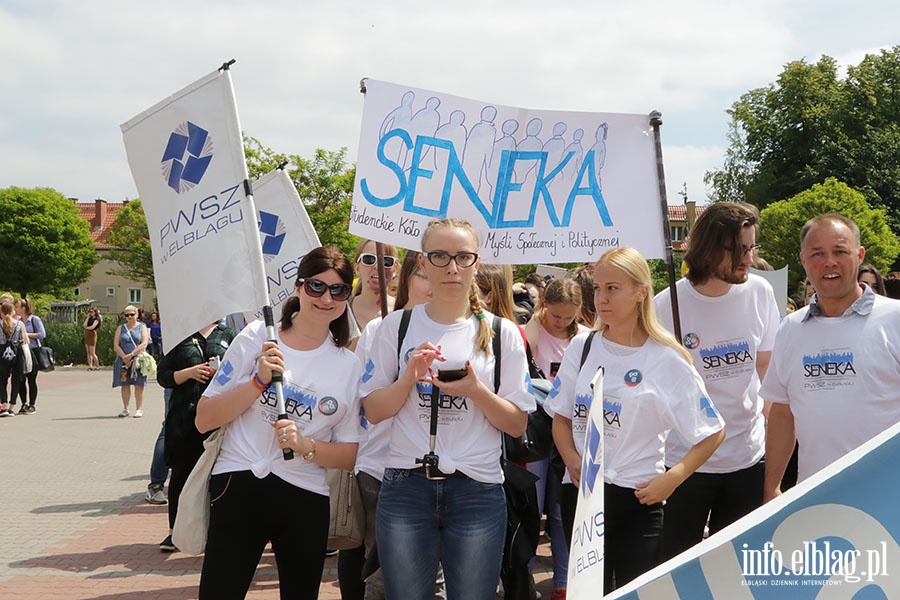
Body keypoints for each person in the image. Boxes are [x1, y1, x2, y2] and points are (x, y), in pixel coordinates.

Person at [360, 218, 534, 600]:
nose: (451, 267)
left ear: (476, 262)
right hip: (406, 485)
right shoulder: (396, 326)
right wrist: (407, 378)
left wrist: (476, 390)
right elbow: (373, 411)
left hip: (478, 488)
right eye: (440, 256)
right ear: (422, 263)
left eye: (462, 257)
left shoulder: (503, 333)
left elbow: (516, 423)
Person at [547, 247, 725, 591]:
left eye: (612, 288)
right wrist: (572, 460)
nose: (601, 298)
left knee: (637, 593)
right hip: (583, 498)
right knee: (587, 594)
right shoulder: (582, 347)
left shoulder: (666, 358)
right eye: (597, 289)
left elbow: (712, 432)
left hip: (639, 499)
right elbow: (561, 418)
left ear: (641, 291)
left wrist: (672, 478)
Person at [194, 246, 362, 600]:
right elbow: (204, 419)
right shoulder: (258, 336)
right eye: (316, 286)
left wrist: (306, 446)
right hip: (238, 483)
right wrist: (257, 382)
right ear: (299, 287)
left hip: (304, 494)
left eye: (339, 290)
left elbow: (350, 454)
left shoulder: (349, 366)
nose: (326, 298)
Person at [653, 202, 780, 559]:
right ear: (707, 247)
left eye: (751, 247)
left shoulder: (760, 292)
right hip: (686, 463)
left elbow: (766, 372)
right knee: (677, 568)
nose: (748, 259)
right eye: (737, 249)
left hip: (748, 460)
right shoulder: (666, 306)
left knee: (739, 570)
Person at [762, 214, 900, 499]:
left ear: (859, 255)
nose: (829, 262)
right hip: (818, 501)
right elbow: (782, 413)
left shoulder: (894, 319)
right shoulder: (790, 329)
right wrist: (772, 487)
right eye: (818, 254)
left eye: (840, 252)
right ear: (803, 260)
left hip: (888, 498)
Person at [338, 250, 438, 600]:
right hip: (381, 468)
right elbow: (363, 400)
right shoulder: (383, 329)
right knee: (382, 573)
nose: (434, 284)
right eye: (425, 275)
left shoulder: (459, 329)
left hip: (438, 473)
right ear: (407, 277)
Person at [523, 276, 589, 600]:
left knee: (562, 514)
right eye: (556, 315)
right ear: (544, 306)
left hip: (569, 432)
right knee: (530, 510)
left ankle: (564, 580)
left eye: (569, 316)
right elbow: (525, 346)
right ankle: (524, 577)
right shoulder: (532, 330)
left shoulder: (583, 338)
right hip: (536, 429)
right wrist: (537, 318)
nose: (562, 322)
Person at [156, 320, 236, 552]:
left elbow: (241, 370)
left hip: (218, 416)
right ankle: (175, 532)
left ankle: (217, 532)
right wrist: (189, 373)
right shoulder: (180, 335)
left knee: (220, 477)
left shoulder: (228, 334)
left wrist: (221, 372)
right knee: (181, 474)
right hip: (184, 417)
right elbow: (164, 376)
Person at [348, 239, 400, 336]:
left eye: (387, 261)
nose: (377, 266)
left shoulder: (403, 312)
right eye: (369, 259)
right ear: (357, 268)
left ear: (395, 269)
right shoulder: (340, 310)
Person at [113, 305, 150, 418]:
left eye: (132, 314)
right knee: (125, 385)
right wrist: (124, 357)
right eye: (127, 315)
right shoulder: (121, 328)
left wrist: (131, 355)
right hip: (123, 360)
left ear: (137, 315)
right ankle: (126, 408)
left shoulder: (142, 327)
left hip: (138, 360)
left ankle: (139, 409)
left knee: (139, 385)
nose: (129, 317)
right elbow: (116, 345)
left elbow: (144, 343)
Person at [14, 298, 46, 415]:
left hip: (33, 351)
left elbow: (42, 334)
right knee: (21, 379)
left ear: (23, 308)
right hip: (21, 351)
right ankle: (24, 403)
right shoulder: (18, 321)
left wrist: (26, 334)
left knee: (31, 379)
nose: (15, 309)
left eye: (17, 307)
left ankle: (32, 404)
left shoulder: (34, 319)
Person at [0, 302, 27, 418]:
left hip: (2, 354)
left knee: (2, 381)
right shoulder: (19, 324)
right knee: (16, 381)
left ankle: (4, 406)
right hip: (16, 353)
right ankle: (12, 407)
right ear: (12, 312)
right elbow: (25, 340)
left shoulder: (0, 324)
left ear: (1, 312)